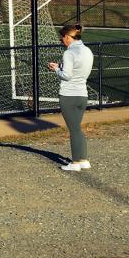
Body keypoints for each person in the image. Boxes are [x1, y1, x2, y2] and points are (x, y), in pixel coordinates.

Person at [49, 23, 94, 171]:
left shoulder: (69, 53)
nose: (62, 41)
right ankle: (84, 159)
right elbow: (77, 71)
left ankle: (75, 163)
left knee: (74, 129)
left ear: (68, 37)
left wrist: (56, 69)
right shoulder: (87, 51)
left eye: (63, 38)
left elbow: (67, 76)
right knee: (77, 128)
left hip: (69, 95)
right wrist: (61, 67)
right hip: (82, 95)